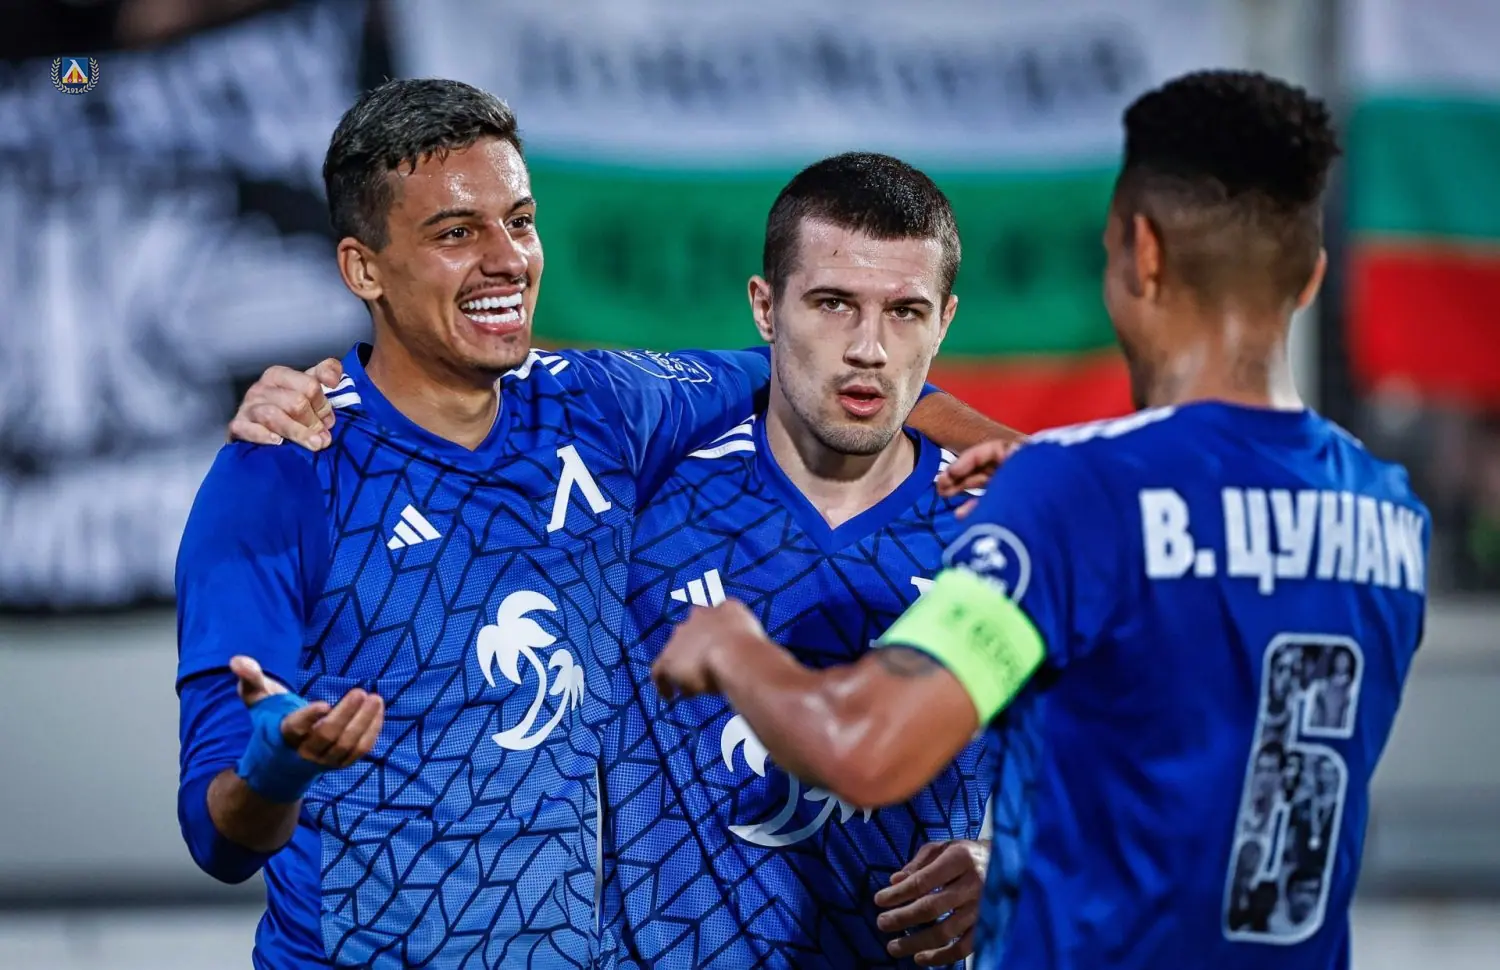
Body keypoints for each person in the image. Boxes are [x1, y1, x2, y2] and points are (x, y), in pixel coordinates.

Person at [175, 78, 1008, 969]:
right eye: (456, 233)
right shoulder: (281, 474)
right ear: (363, 269)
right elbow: (217, 838)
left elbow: (845, 376)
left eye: (520, 222)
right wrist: (279, 768)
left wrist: (1037, 467)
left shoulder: (602, 408)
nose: (506, 259)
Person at [650, 69, 1430, 970]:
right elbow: (1198, 758)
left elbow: (865, 749)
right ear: (1314, 277)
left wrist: (737, 649)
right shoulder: (1389, 515)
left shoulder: (1078, 495)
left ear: (1139, 252)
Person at [603, 152, 999, 970]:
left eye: (905, 312)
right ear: (765, 306)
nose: (869, 348)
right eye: (833, 304)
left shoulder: (1001, 537)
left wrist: (1015, 866)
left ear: (945, 322)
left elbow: (1140, 769)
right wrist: (334, 400)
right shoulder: (640, 499)